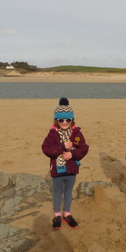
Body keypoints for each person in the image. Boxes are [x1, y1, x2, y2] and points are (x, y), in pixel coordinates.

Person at [42, 97, 89, 229]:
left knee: (68, 193)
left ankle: (67, 214)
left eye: (67, 119)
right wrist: (63, 147)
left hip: (72, 169)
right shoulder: (52, 134)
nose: (64, 122)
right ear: (56, 120)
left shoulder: (77, 133)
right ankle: (57, 215)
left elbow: (84, 148)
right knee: (57, 193)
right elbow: (46, 149)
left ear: (72, 120)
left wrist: (72, 154)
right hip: (57, 170)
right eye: (61, 120)